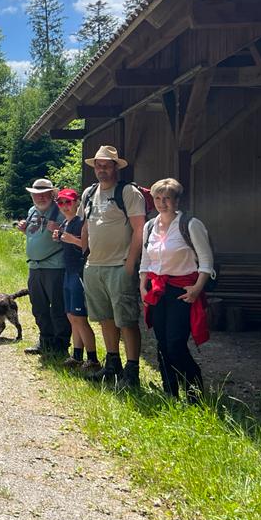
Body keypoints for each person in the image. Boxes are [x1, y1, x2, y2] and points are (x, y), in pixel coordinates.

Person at [79, 145, 146, 389]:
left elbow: (140, 229)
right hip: (94, 265)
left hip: (119, 265)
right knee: (105, 318)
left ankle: (132, 370)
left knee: (126, 320)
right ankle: (112, 365)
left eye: (106, 165)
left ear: (116, 167)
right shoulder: (89, 193)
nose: (102, 169)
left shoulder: (128, 192)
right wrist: (84, 255)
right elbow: (86, 225)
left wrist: (131, 262)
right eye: (98, 165)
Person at [139, 179, 212, 401]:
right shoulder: (149, 226)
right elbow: (145, 260)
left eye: (167, 198)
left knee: (176, 344)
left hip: (182, 290)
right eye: (158, 198)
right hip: (157, 290)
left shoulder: (190, 225)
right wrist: (142, 286)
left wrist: (197, 289)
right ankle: (170, 392)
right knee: (161, 343)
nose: (162, 203)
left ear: (177, 200)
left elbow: (206, 261)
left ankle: (195, 393)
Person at [17, 179, 71, 357]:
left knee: (57, 307)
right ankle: (45, 340)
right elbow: (35, 234)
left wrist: (60, 232)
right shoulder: (32, 211)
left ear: (52, 194)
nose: (40, 197)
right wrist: (24, 229)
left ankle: (61, 345)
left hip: (55, 267)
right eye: (36, 194)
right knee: (38, 306)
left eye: (43, 194)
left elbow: (76, 235)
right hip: (34, 266)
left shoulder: (61, 211)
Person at [53, 188, 99, 372]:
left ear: (77, 202)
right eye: (61, 203)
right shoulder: (65, 222)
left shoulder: (81, 222)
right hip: (68, 272)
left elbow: (88, 246)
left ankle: (93, 358)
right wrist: (59, 237)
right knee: (71, 316)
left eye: (68, 202)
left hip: (79, 273)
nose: (65, 206)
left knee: (80, 318)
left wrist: (72, 240)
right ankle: (77, 355)